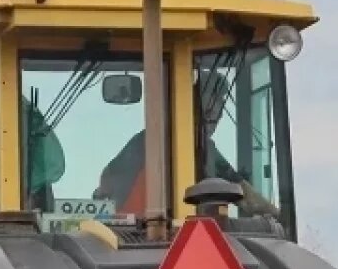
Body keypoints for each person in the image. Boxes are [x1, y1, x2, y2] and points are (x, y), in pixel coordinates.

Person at [93, 69, 279, 218]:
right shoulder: (145, 144)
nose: (218, 112)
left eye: (221, 105)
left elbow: (243, 192)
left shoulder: (206, 148)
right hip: (136, 240)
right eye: (210, 104)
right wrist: (275, 216)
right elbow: (106, 189)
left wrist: (276, 216)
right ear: (188, 103)